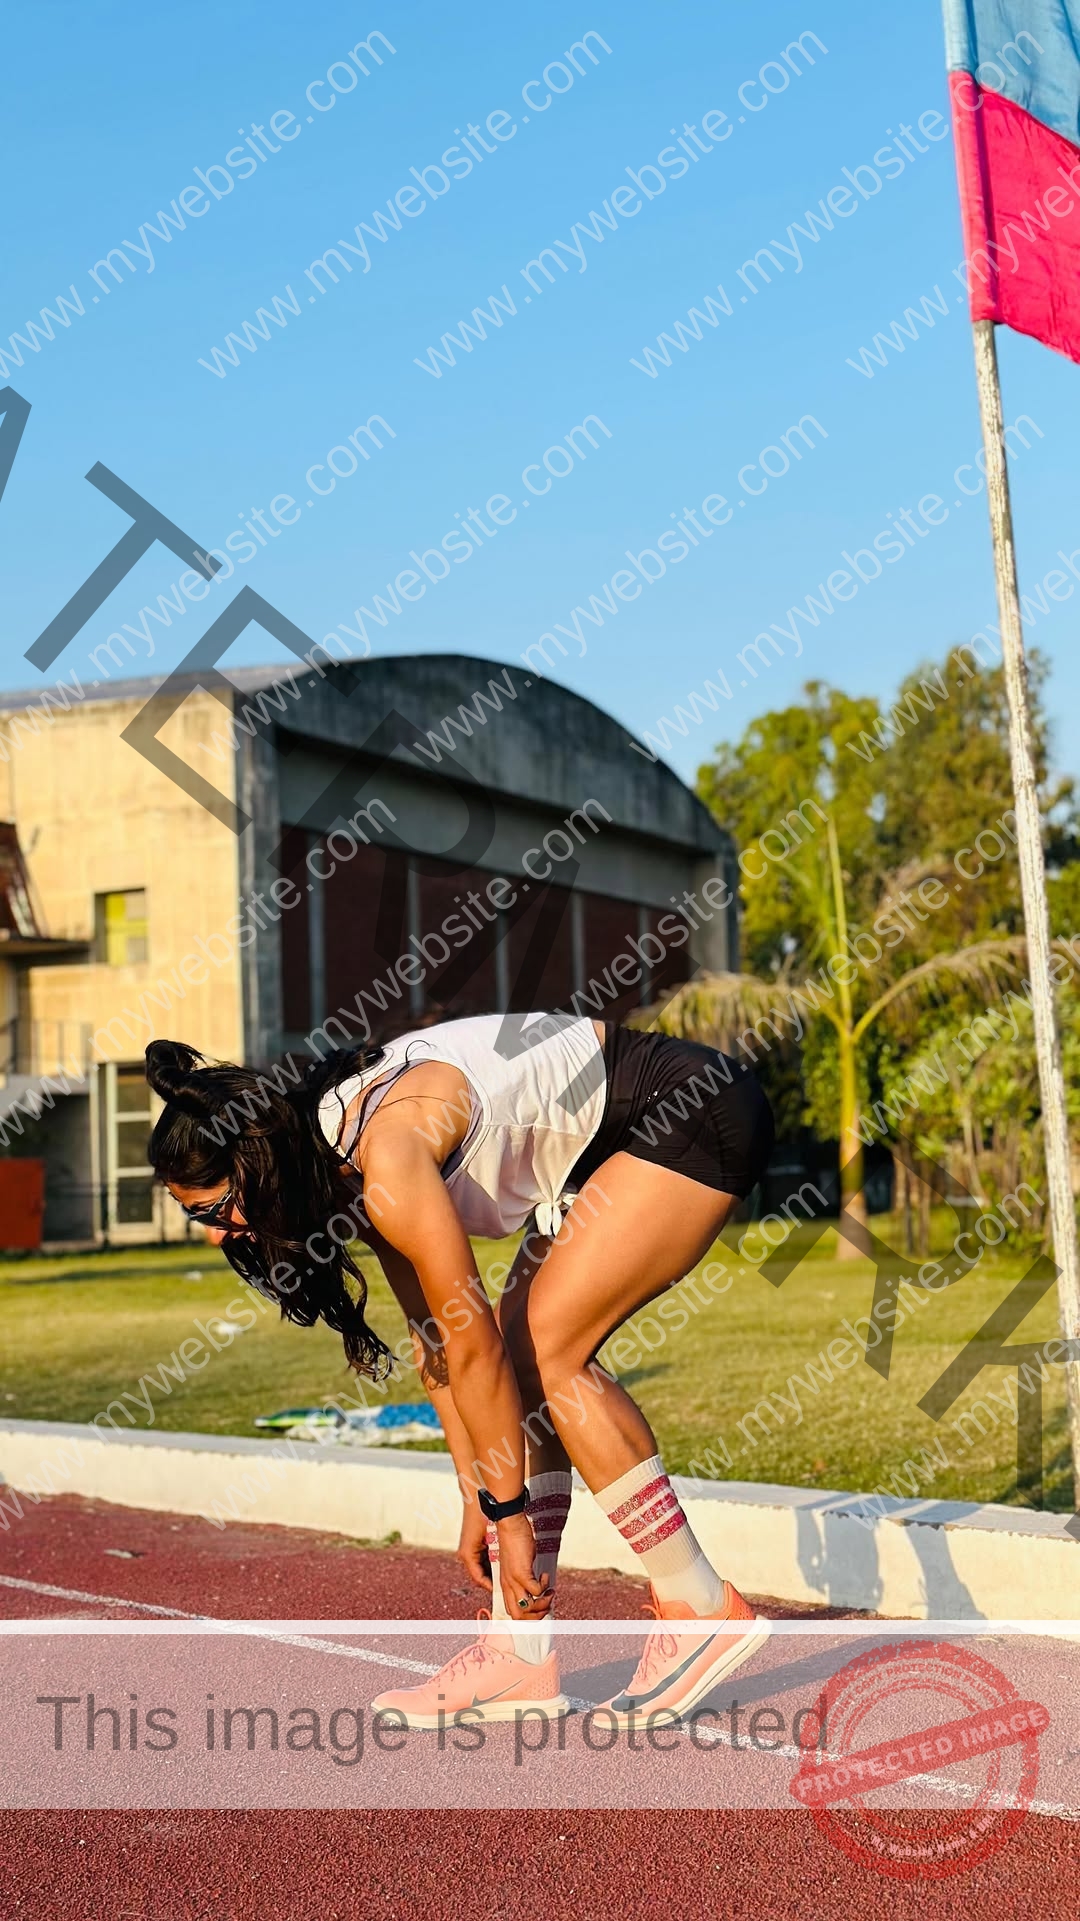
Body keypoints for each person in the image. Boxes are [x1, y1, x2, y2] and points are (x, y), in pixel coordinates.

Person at [145, 1010, 774, 1727]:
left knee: (544, 1347)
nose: (223, 1233)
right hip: (598, 1149)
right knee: (527, 1363)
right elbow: (435, 1342)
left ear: (255, 1160)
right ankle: (519, 1653)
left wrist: (511, 1521)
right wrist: (476, 1491)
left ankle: (697, 1603)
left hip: (686, 1107)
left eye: (217, 1209)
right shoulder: (334, 1162)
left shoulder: (387, 1152)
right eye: (202, 1220)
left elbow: (474, 1347)